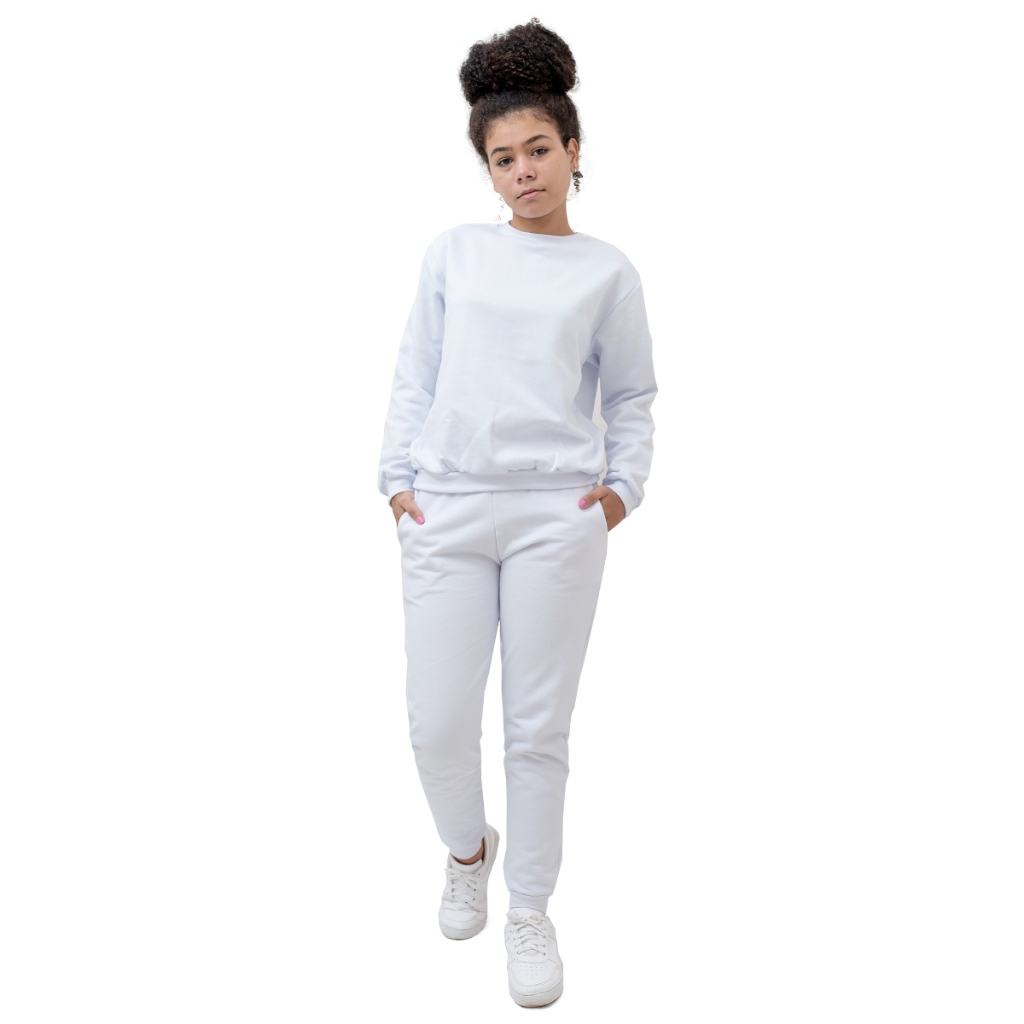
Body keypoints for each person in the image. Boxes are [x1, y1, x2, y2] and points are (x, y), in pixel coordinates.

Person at [376, 18, 658, 1008]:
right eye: (504, 158)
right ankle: (469, 852)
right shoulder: (454, 253)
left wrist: (619, 492)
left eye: (539, 149)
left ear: (573, 151)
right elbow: (414, 375)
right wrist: (397, 484)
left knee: (537, 728)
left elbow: (632, 395)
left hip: (554, 517)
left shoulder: (607, 272)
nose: (524, 171)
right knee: (435, 721)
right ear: (488, 170)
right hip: (446, 509)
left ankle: (530, 908)